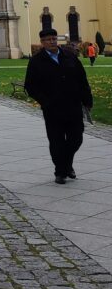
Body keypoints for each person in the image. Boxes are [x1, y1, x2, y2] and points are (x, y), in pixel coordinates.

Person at [24, 28, 94, 184]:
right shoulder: (36, 61)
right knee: (56, 141)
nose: (52, 42)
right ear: (42, 42)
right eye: (48, 40)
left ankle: (66, 165)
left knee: (76, 138)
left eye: (54, 39)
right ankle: (60, 172)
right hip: (53, 108)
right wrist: (45, 102)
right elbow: (30, 86)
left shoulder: (69, 56)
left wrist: (87, 100)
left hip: (73, 105)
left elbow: (82, 79)